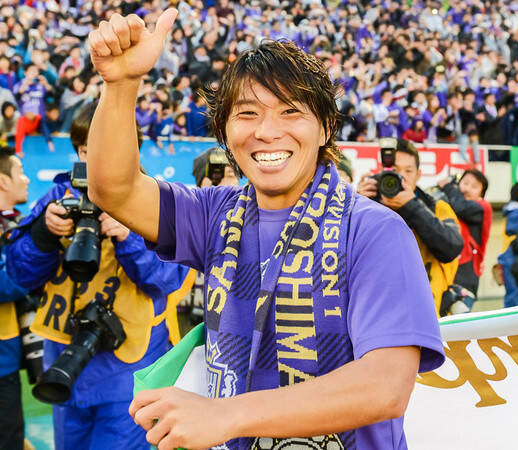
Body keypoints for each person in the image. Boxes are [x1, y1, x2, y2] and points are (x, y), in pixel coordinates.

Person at [86, 10, 444, 450]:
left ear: (326, 127)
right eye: (248, 113)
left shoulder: (375, 230)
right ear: (224, 130)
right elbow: (115, 190)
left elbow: (385, 386)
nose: (267, 132)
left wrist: (227, 415)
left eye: (291, 112)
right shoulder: (214, 214)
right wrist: (121, 84)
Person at [6, 103, 194, 450]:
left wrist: (129, 236)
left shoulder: (158, 199)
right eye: (84, 151)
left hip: (130, 367)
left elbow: (168, 280)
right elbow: (21, 274)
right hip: (65, 361)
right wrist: (43, 234)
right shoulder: (59, 196)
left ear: (132, 147)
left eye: (106, 149)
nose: (94, 161)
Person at [357, 138, 463, 316]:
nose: (401, 177)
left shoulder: (437, 207)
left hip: (424, 313)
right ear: (384, 172)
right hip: (377, 312)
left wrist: (411, 206)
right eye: (395, 170)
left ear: (418, 175)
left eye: (408, 171)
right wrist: (356, 204)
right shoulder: (367, 204)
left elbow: (452, 247)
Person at [0, 145, 30, 450]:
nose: (27, 179)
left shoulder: (15, 223)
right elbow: (7, 283)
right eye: (20, 172)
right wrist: (38, 262)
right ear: (3, 181)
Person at [438, 169, 492, 309]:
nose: (467, 189)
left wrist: (448, 186)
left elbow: (460, 206)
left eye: (474, 186)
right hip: (448, 276)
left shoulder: (482, 207)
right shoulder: (452, 203)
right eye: (465, 183)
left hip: (465, 279)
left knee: (458, 321)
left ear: (481, 194)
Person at [497, 183, 518, 308]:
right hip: (513, 259)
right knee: (516, 299)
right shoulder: (517, 213)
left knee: (515, 297)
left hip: (510, 259)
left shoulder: (512, 211)